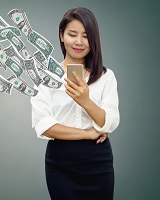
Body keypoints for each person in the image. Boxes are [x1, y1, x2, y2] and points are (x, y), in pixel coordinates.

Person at [30, 7, 120, 200]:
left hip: (98, 160)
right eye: (72, 34)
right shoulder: (45, 76)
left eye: (86, 36)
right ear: (62, 36)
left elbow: (111, 122)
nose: (79, 42)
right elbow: (44, 125)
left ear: (93, 39)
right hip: (61, 162)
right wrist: (88, 133)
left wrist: (85, 101)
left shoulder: (106, 76)